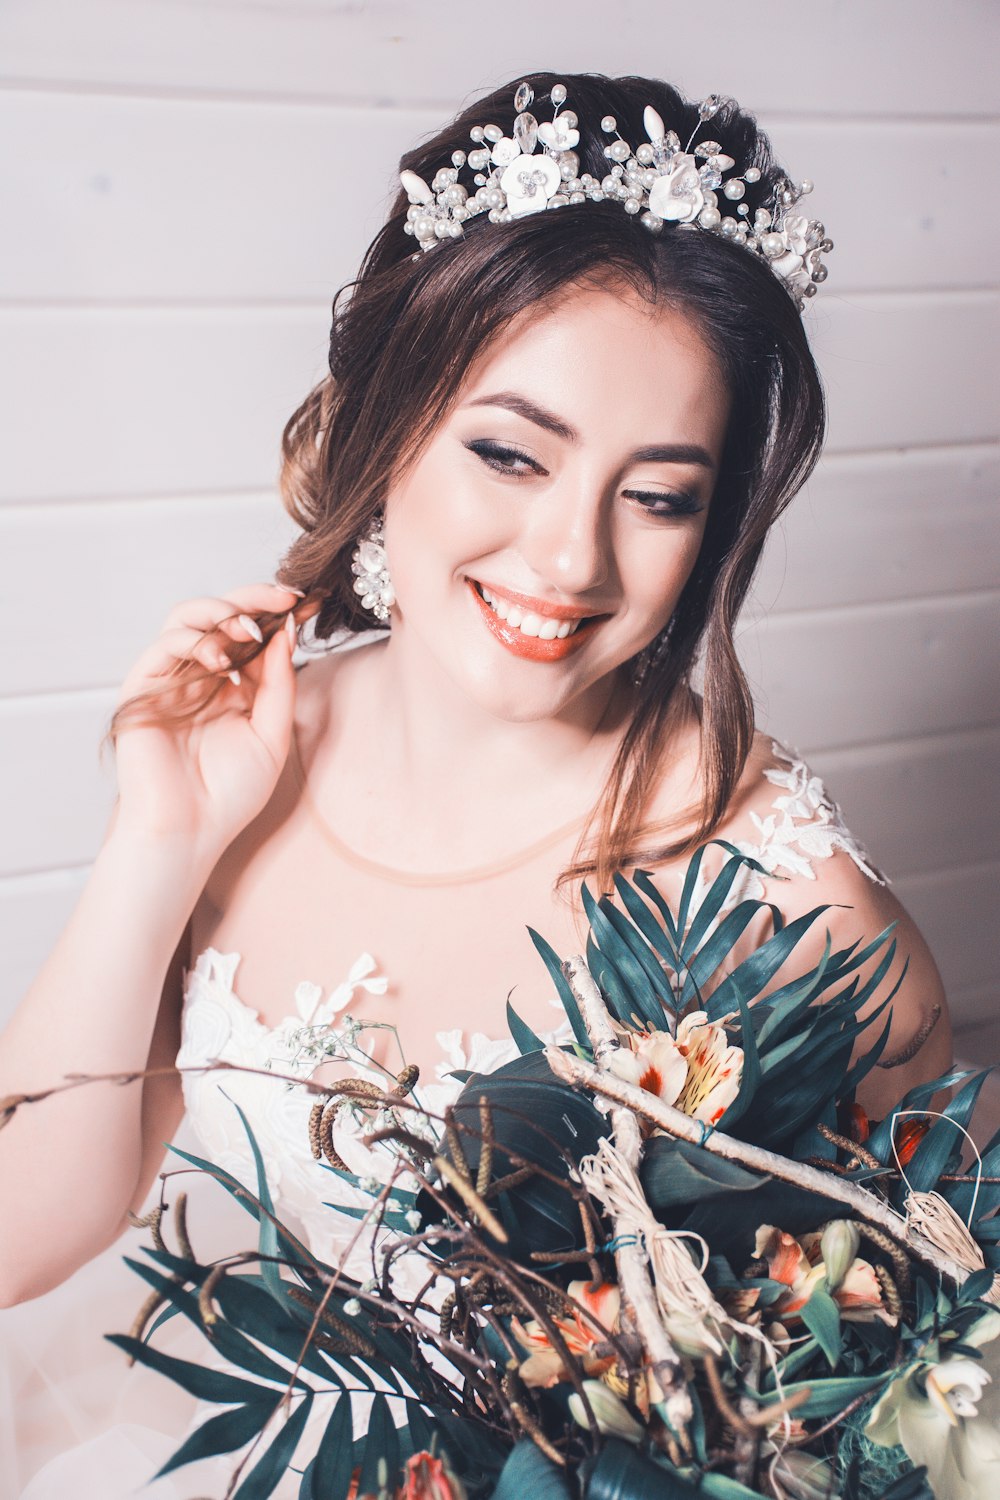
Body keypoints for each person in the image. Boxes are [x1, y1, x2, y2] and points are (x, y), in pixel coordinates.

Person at [0, 69, 951, 1497]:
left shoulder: (784, 903)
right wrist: (162, 837)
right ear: (387, 426)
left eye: (659, 495)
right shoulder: (257, 752)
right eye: (510, 453)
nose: (571, 562)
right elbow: (28, 1231)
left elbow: (907, 1368)